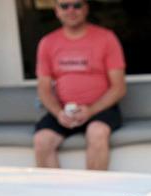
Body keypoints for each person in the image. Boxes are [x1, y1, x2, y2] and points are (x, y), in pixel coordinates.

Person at [33, 0, 126, 170]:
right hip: (63, 110)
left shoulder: (106, 38)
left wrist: (90, 110)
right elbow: (44, 89)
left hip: (101, 110)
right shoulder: (47, 43)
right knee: (42, 140)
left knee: (97, 132)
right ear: (56, 11)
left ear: (86, 9)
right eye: (64, 6)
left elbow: (119, 88)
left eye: (77, 5)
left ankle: (94, 194)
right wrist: (58, 113)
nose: (71, 10)